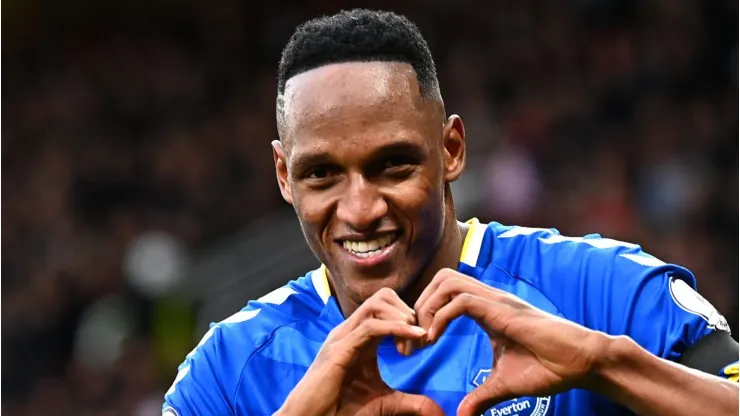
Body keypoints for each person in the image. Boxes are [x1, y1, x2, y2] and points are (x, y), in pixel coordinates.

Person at [163, 9, 739, 416]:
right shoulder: (227, 373)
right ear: (285, 176)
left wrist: (605, 364)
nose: (360, 210)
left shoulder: (602, 293)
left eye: (393, 165)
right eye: (323, 174)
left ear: (451, 150)